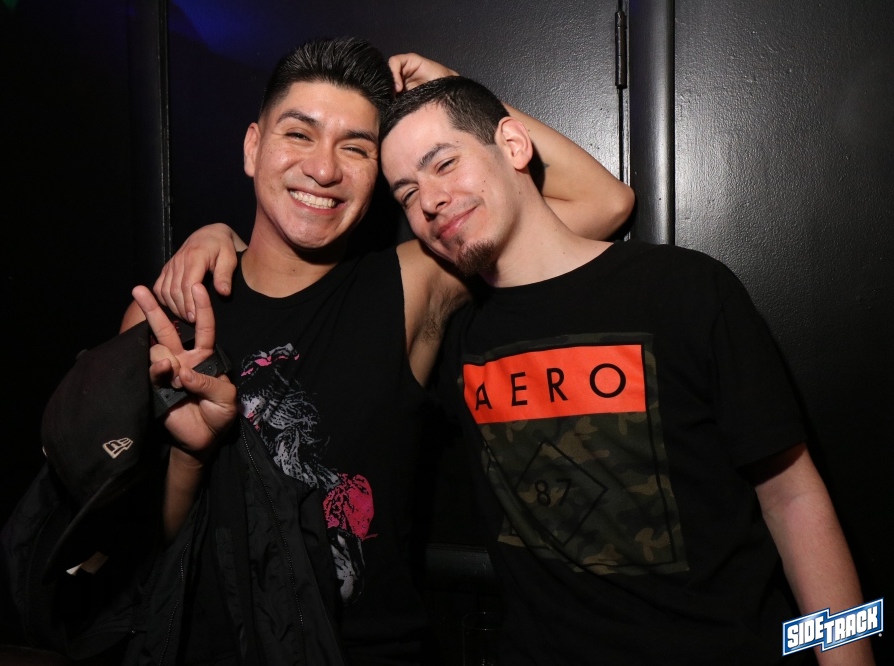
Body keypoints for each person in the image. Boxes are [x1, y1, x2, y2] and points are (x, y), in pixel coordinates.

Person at [0, 37, 634, 666]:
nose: (324, 169)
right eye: (299, 134)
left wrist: (453, 93)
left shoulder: (410, 287)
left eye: (355, 148)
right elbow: (136, 554)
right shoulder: (171, 314)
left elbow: (603, 203)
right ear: (253, 147)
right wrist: (191, 454)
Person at [369, 75, 874, 665]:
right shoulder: (456, 336)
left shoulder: (683, 287)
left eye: (445, 163)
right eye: (407, 193)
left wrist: (848, 659)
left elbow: (792, 498)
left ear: (513, 144)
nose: (430, 201)